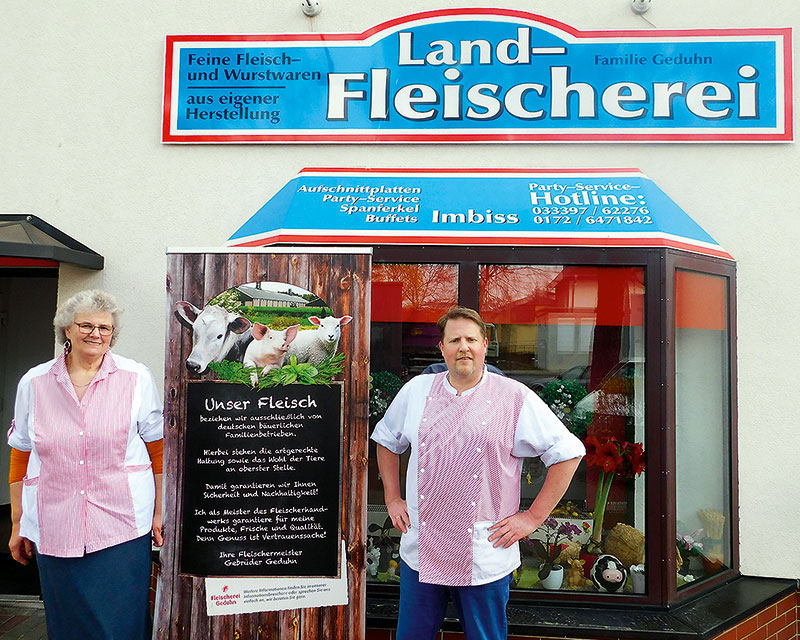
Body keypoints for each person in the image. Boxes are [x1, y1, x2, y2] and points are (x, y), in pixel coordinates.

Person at [371, 306, 585, 640]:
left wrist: (532, 518)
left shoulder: (514, 396)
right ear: (441, 348)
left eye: (471, 339)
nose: (463, 346)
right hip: (422, 549)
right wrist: (392, 497)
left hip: (484, 553)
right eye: (454, 339)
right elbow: (386, 439)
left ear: (485, 344)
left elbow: (568, 453)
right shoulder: (417, 390)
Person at [7, 289, 164, 640]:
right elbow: (21, 453)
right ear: (67, 329)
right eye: (87, 325)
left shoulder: (135, 377)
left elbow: (158, 447)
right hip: (55, 524)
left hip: (122, 524)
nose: (96, 334)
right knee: (68, 626)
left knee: (120, 624)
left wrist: (159, 511)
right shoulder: (34, 383)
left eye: (105, 328)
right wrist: (18, 522)